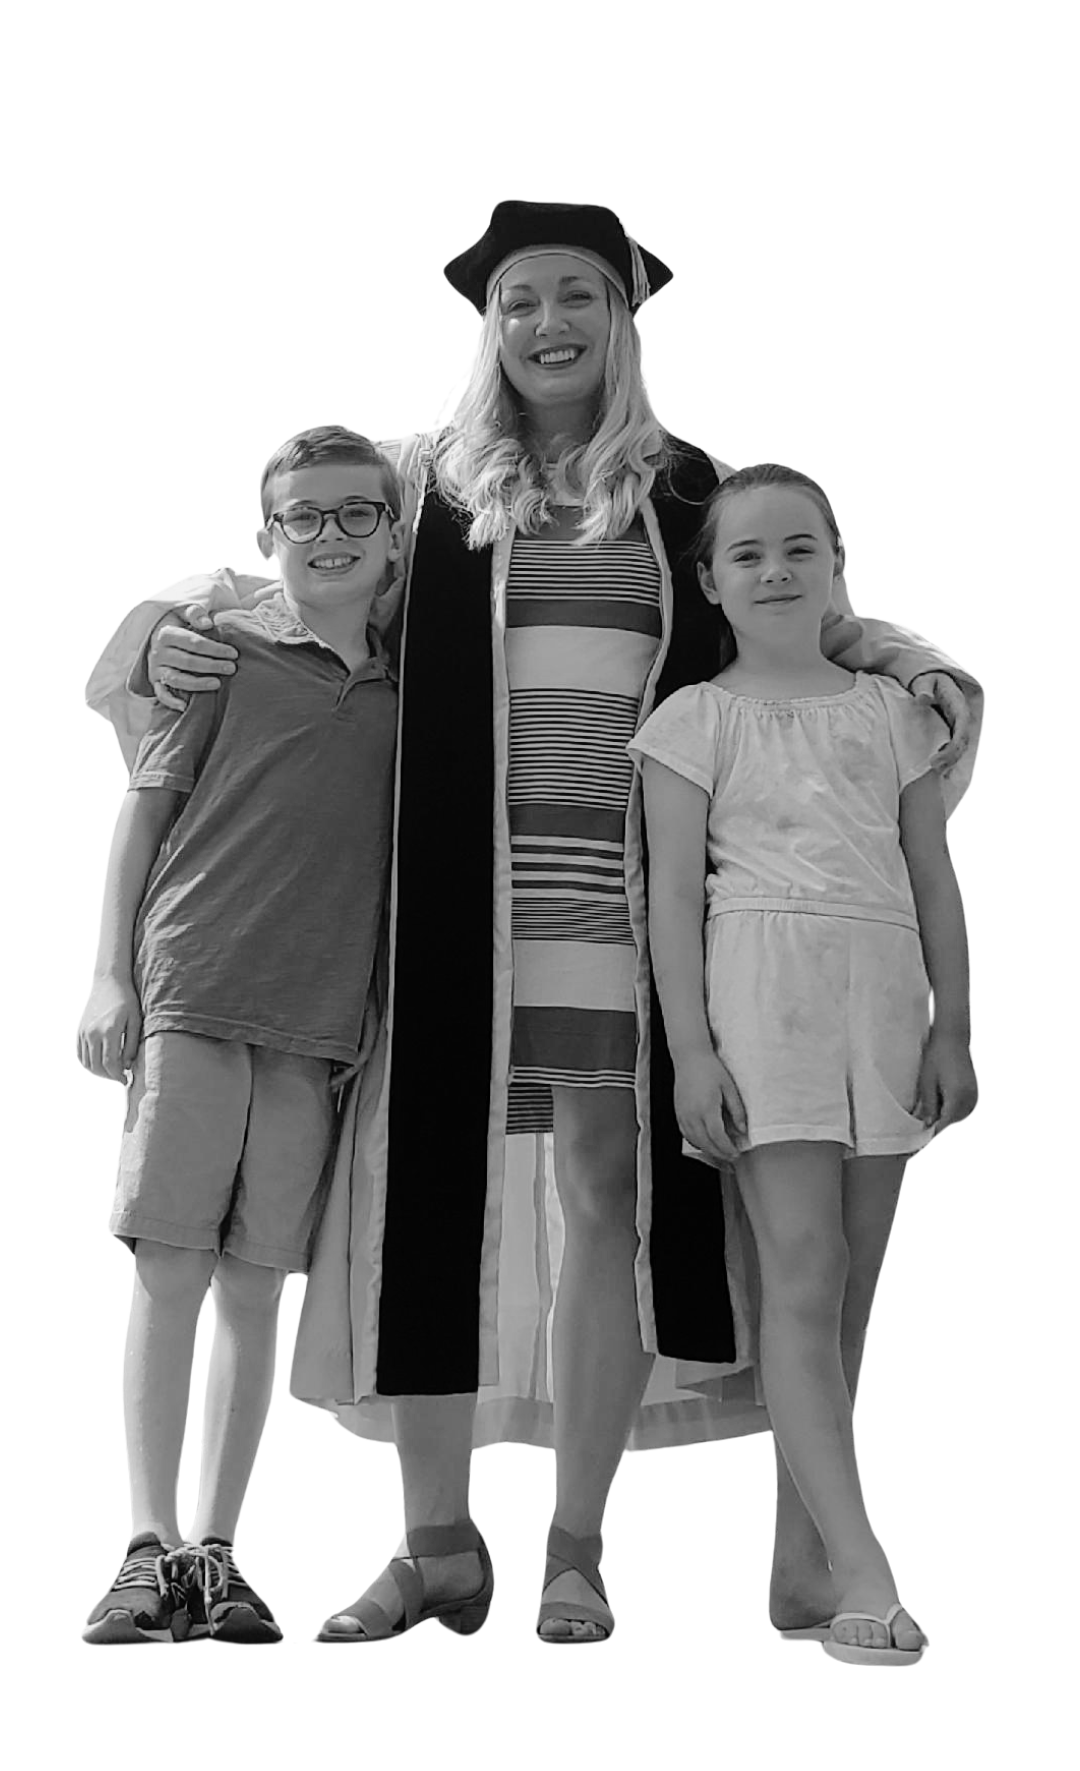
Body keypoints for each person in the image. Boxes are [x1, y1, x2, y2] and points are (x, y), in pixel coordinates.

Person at [84, 200, 984, 1648]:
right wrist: (174, 626)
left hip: (623, 907)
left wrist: (913, 663)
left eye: (577, 294)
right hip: (445, 901)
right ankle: (435, 1545)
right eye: (520, 299)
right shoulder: (418, 479)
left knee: (607, 1207)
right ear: (487, 324)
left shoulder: (691, 487)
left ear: (623, 318)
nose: (547, 323)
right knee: (424, 1196)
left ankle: (575, 1551)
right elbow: (285, 563)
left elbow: (808, 618)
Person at [77, 442, 436, 1644]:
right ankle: (142, 1547)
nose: (330, 536)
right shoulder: (223, 654)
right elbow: (142, 816)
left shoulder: (410, 695)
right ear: (267, 537)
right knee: (170, 1267)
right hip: (193, 989)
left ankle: (216, 1550)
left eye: (356, 515)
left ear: (394, 537)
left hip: (317, 1027)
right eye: (303, 518)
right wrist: (111, 978)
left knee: (255, 1286)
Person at [626, 462, 980, 1663]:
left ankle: (799, 1571)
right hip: (762, 1005)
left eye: (798, 549)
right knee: (803, 1275)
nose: (775, 571)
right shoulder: (692, 722)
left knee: (851, 1299)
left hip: (883, 1005)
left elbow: (933, 879)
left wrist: (950, 1030)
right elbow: (672, 903)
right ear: (710, 582)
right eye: (748, 554)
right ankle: (869, 1578)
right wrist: (691, 1056)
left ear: (838, 563)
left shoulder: (895, 715)